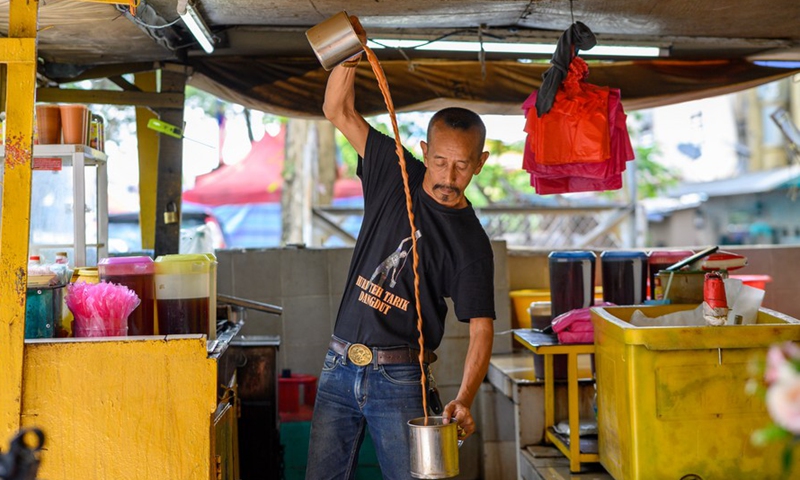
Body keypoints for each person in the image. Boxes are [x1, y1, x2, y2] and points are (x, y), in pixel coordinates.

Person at [305, 48, 496, 480]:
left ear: (480, 164)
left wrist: (464, 397)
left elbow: (481, 329)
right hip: (338, 366)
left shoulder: (471, 243)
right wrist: (347, 53)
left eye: (462, 166)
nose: (448, 178)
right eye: (441, 162)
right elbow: (337, 108)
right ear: (425, 151)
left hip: (401, 379)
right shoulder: (394, 172)